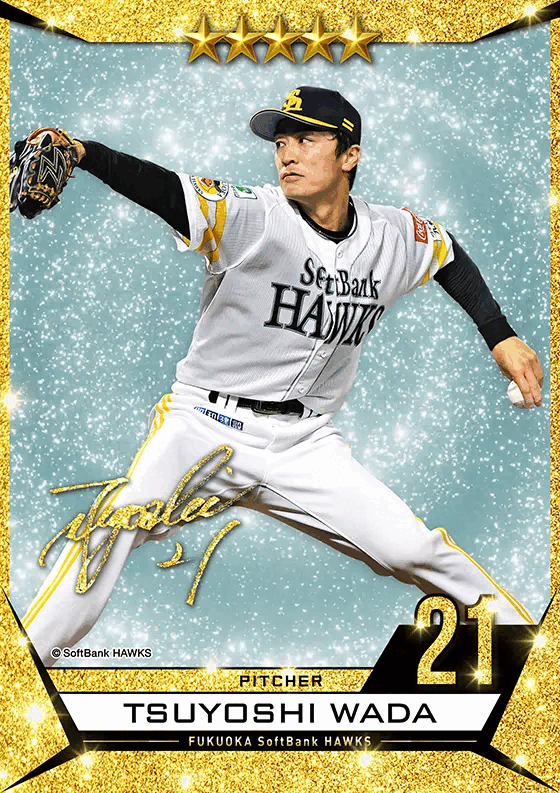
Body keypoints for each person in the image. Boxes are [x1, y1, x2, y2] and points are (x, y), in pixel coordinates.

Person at [20, 86, 543, 667]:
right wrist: (84, 152)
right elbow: (164, 189)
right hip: (205, 425)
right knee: (111, 529)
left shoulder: (391, 234)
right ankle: (23, 666)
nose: (287, 153)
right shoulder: (254, 215)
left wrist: (499, 333)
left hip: (305, 442)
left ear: (350, 155)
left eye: (306, 139)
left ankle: (534, 664)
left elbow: (445, 252)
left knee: (413, 549)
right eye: (281, 141)